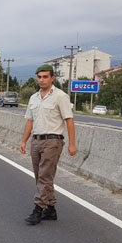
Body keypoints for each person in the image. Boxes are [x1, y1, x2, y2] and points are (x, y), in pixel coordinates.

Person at [19, 64, 77, 225]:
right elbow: (30, 121)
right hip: (36, 141)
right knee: (40, 177)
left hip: (53, 141)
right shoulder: (34, 98)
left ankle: (38, 209)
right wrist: (24, 140)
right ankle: (50, 209)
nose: (42, 80)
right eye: (39, 77)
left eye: (45, 77)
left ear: (52, 78)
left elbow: (69, 120)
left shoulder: (60, 96)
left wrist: (72, 144)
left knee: (44, 176)